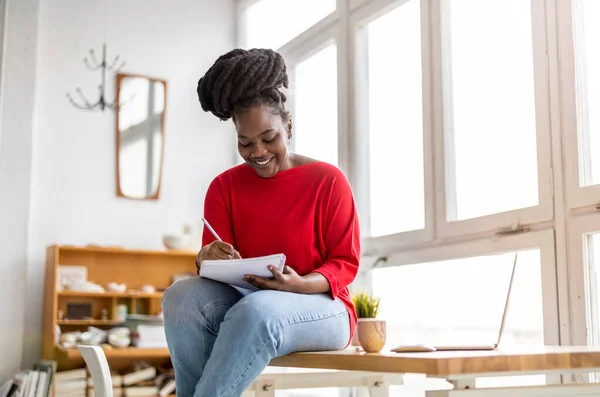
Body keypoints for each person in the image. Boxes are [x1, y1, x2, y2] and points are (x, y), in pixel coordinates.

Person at [161, 48, 360, 397]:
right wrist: (205, 256)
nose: (258, 152)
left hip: (324, 307)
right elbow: (211, 270)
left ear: (289, 125)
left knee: (257, 311)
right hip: (250, 302)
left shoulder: (328, 181)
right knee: (179, 297)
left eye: (269, 138)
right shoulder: (223, 187)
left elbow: (344, 265)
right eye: (245, 142)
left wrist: (298, 284)